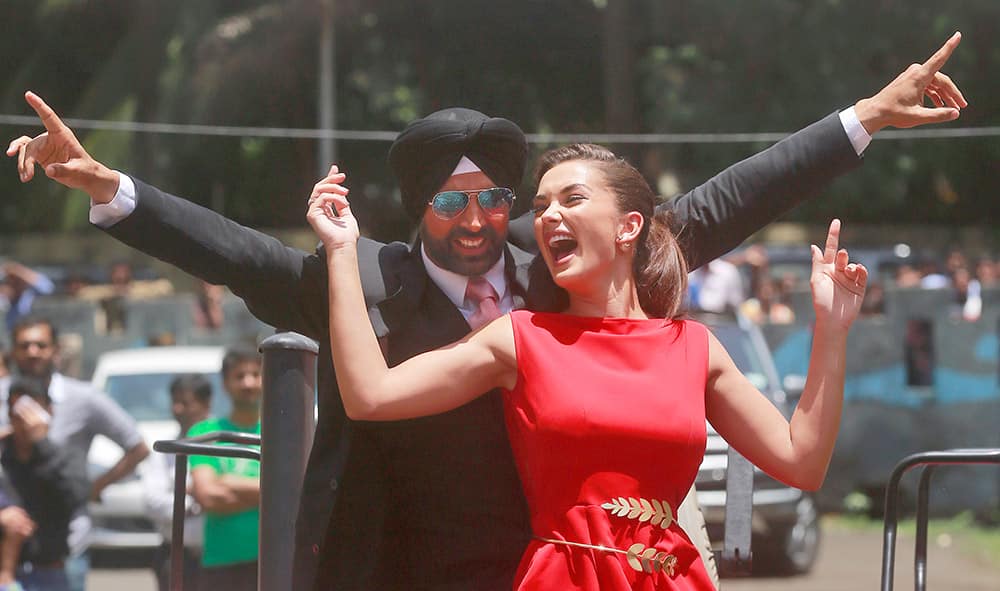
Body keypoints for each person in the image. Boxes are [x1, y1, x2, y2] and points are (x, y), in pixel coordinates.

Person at [5, 33, 966, 590]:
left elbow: (718, 204)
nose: (480, 219)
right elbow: (228, 248)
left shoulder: (562, 275)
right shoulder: (362, 279)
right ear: (417, 210)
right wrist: (107, 187)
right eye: (451, 201)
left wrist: (864, 120)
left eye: (495, 199)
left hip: (550, 563)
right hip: (394, 560)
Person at [308, 145, 867, 589]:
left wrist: (832, 331)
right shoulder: (518, 339)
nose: (547, 216)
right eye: (542, 204)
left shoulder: (694, 347)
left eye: (571, 199)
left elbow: (801, 462)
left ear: (628, 227)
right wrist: (340, 253)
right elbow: (370, 395)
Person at [0, 317, 150, 591]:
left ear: (55, 351)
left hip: (65, 548)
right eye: (25, 345)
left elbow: (137, 447)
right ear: (13, 352)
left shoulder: (83, 398)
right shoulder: (2, 394)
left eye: (40, 345)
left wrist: (93, 488)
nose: (33, 352)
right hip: (6, 549)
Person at [1, 377, 89, 591]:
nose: (24, 421)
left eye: (32, 411)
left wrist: (42, 445)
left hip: (51, 571)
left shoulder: (63, 456)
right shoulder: (2, 454)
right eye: (18, 412)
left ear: (49, 411)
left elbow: (74, 497)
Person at [186, 348, 262, 591]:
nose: (248, 382)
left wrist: (229, 480)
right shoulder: (205, 434)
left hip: (275, 561)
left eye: (255, 374)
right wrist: (273, 493)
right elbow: (208, 496)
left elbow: (296, 491)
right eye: (239, 376)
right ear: (225, 384)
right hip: (221, 565)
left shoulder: (287, 430)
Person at [141, 374, 212, 591]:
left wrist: (201, 494)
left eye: (186, 403)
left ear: (205, 404)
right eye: (175, 402)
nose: (178, 409)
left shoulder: (223, 444)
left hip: (218, 556)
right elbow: (152, 501)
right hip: (176, 555)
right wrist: (197, 503)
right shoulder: (166, 449)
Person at [1, 263, 54, 334]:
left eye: (17, 281)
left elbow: (49, 288)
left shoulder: (29, 295)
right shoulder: (4, 299)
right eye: (10, 281)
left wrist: (18, 271)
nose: (14, 284)